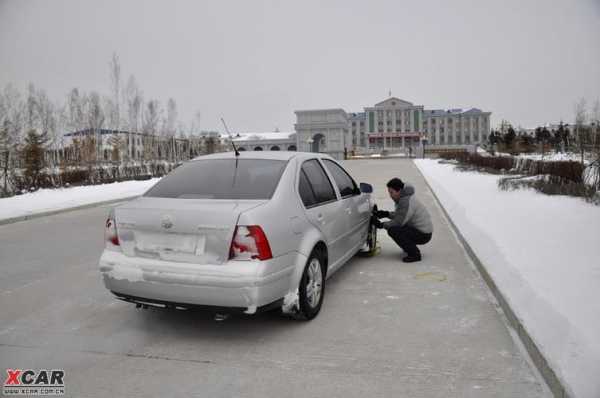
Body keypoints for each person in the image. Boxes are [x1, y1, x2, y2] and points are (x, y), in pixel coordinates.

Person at [372, 178, 433, 263]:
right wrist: (386, 214)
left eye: (391, 192)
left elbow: (399, 222)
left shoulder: (406, 201)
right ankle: (409, 247)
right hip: (419, 230)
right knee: (396, 228)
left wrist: (381, 225)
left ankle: (415, 254)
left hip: (423, 235)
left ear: (399, 191)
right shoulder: (404, 198)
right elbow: (401, 215)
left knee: (393, 230)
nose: (390, 195)